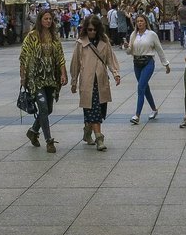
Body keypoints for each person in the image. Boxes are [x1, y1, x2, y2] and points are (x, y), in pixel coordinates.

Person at [19, 9, 68, 153]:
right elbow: (23, 57)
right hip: (36, 78)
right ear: (40, 20)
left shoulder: (54, 36)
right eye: (46, 18)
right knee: (44, 108)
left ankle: (33, 131)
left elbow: (60, 56)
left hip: (51, 78)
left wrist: (63, 74)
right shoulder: (31, 37)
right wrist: (23, 77)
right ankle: (49, 140)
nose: (48, 21)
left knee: (49, 109)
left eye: (50, 19)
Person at [70, 15, 121, 151]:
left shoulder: (105, 42)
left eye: (94, 30)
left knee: (98, 110)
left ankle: (87, 132)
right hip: (87, 82)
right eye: (89, 30)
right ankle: (99, 138)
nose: (91, 32)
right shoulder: (81, 43)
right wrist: (73, 81)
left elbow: (110, 59)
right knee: (93, 110)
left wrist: (115, 73)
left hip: (101, 81)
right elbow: (75, 63)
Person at [123, 13, 171, 125]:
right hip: (137, 63)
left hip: (148, 62)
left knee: (140, 87)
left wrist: (166, 64)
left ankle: (137, 115)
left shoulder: (151, 34)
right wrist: (126, 47)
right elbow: (129, 52)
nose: (139, 23)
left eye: (141, 21)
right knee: (145, 87)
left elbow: (159, 49)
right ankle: (154, 109)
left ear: (146, 22)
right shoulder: (133, 35)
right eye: (138, 21)